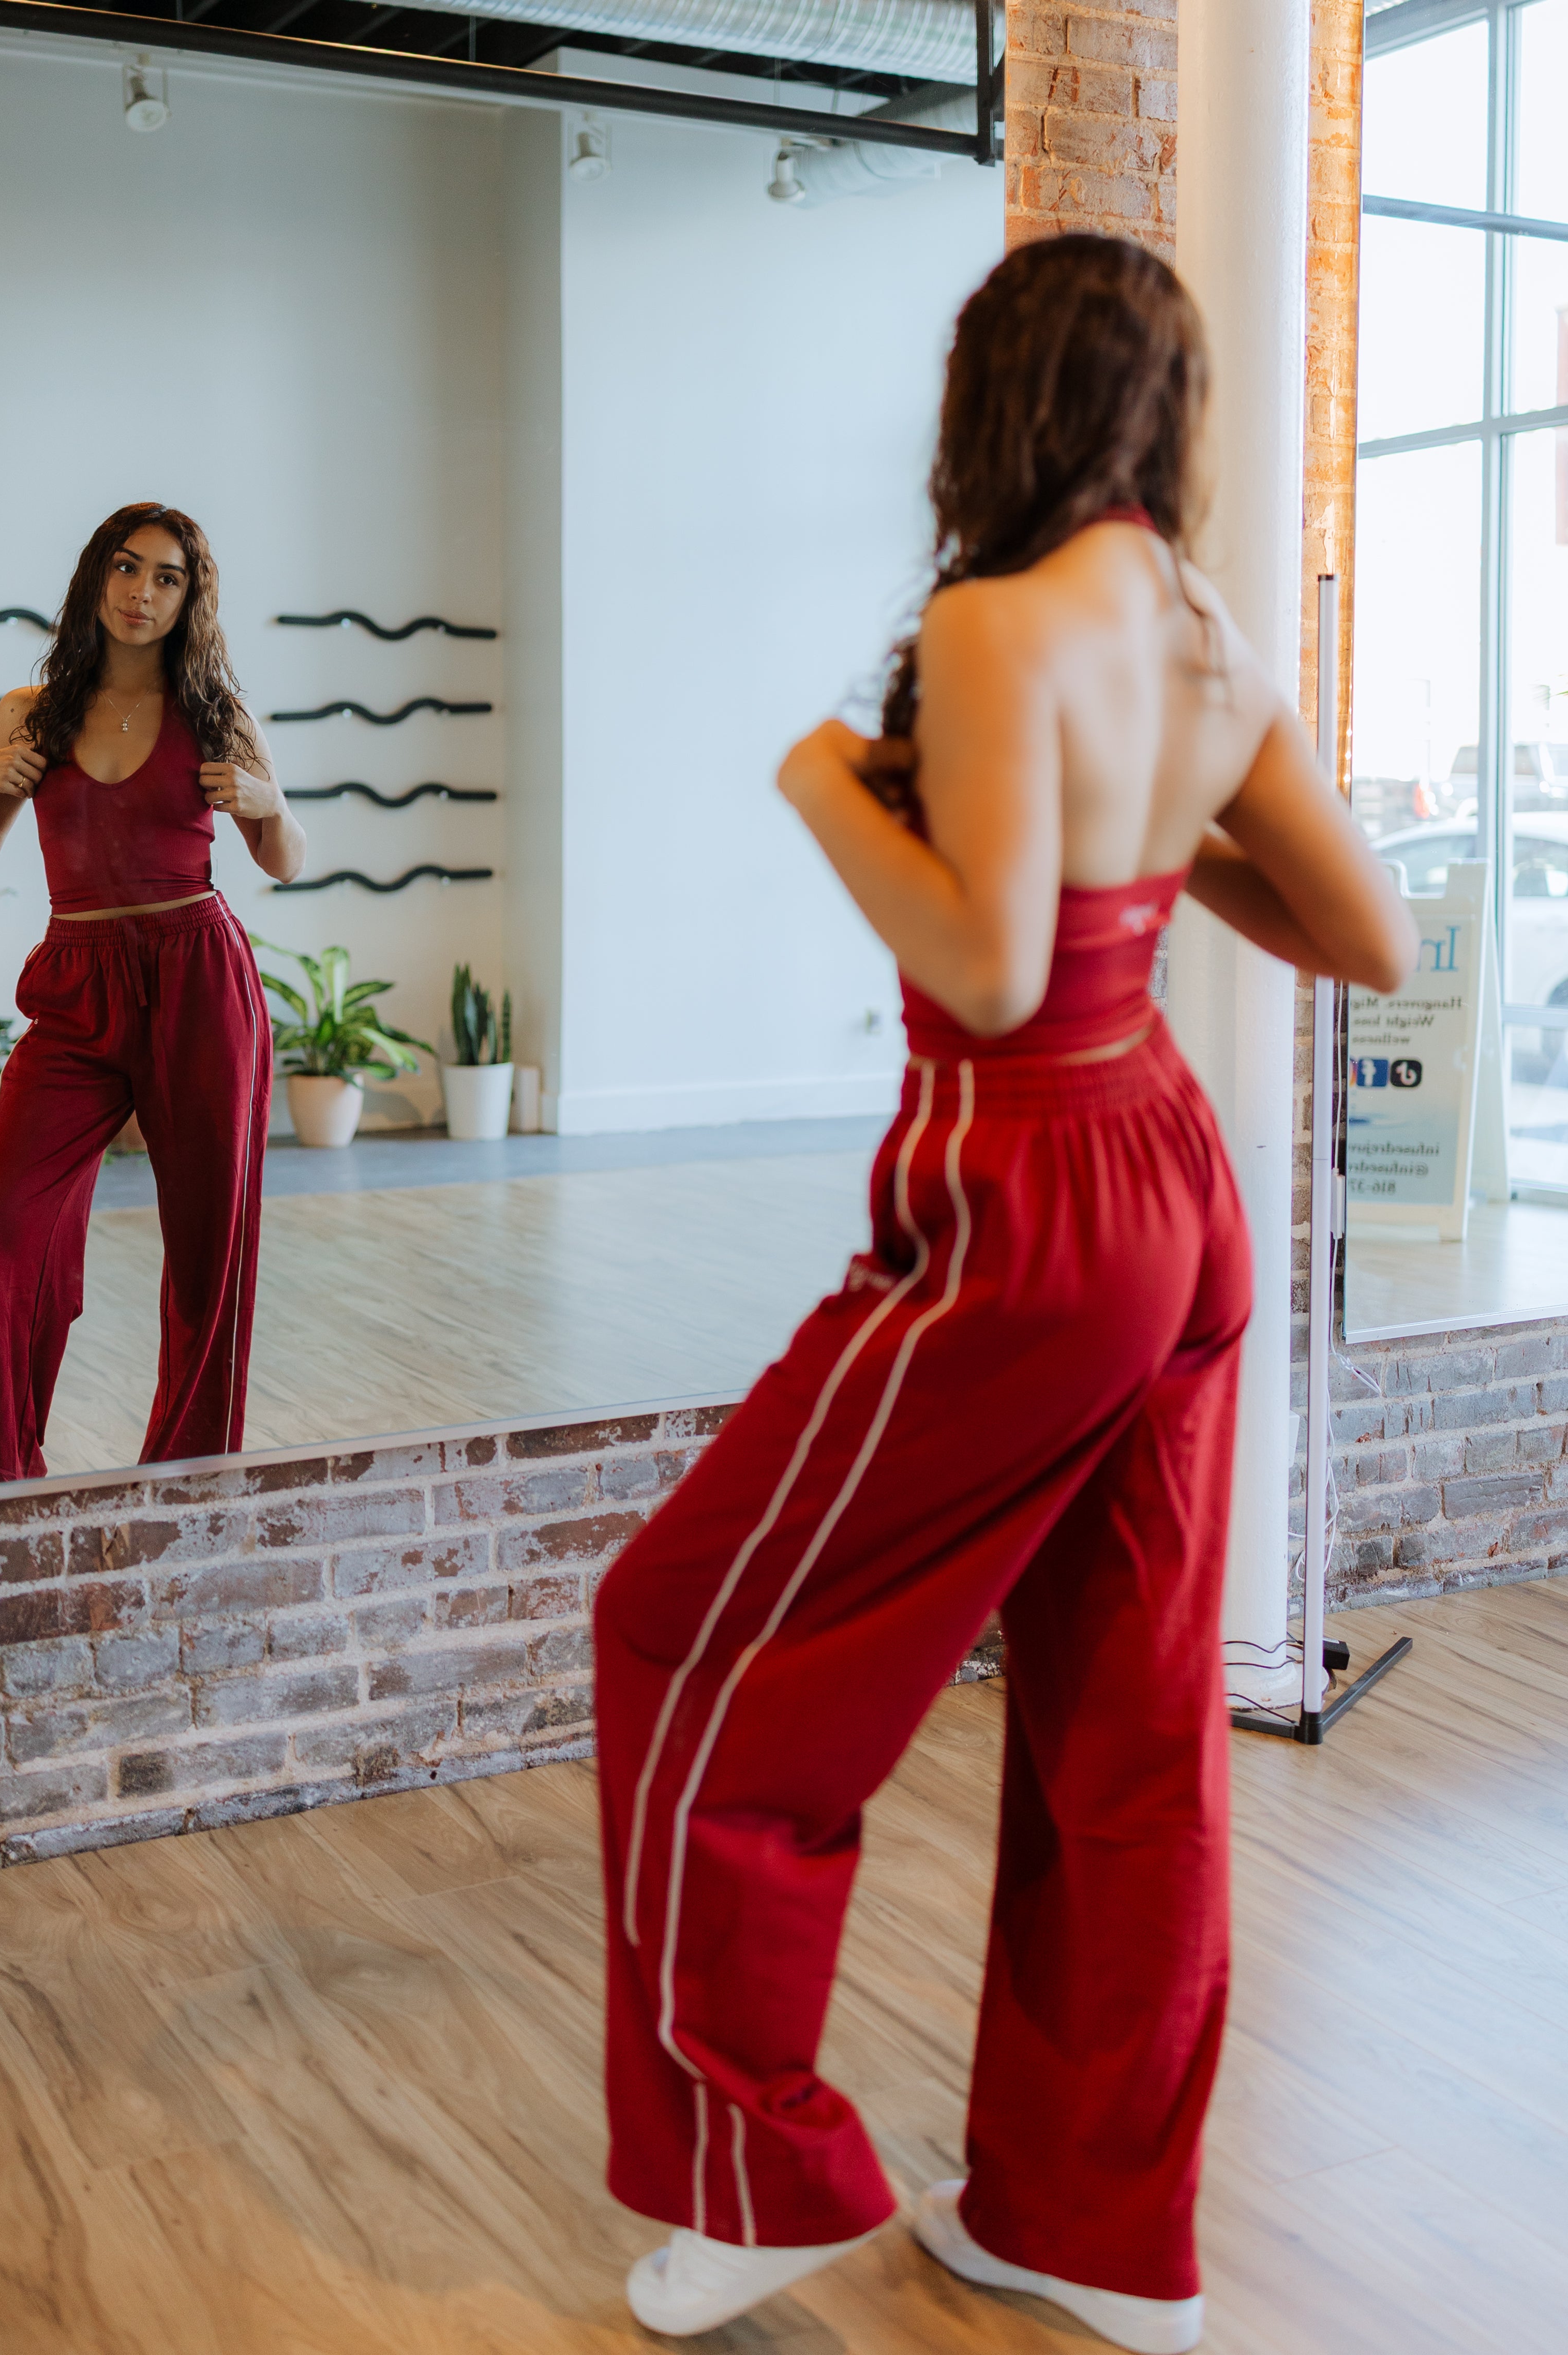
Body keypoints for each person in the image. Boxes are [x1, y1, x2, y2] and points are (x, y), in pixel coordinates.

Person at [593, 234, 1416, 2349]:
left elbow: (979, 969)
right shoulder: (1211, 639)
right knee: (1129, 1734)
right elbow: (1359, 936)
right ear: (1164, 407)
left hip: (1030, 1187)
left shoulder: (986, 622)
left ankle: (754, 2166)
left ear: (997, 401)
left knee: (682, 1625)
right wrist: (1146, 837)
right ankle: (1089, 2226)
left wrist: (812, 786)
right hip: (1175, 1192)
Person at [0, 501, 306, 1486]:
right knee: (5, 1222)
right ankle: (5, 1471)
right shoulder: (32, 712)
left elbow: (286, 860)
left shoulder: (218, 714)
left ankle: (185, 1473)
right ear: (97, 577)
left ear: (191, 596)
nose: (143, 593)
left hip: (198, 978)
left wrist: (274, 804)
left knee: (205, 1245)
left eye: (168, 577)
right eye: (127, 569)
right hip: (78, 983)